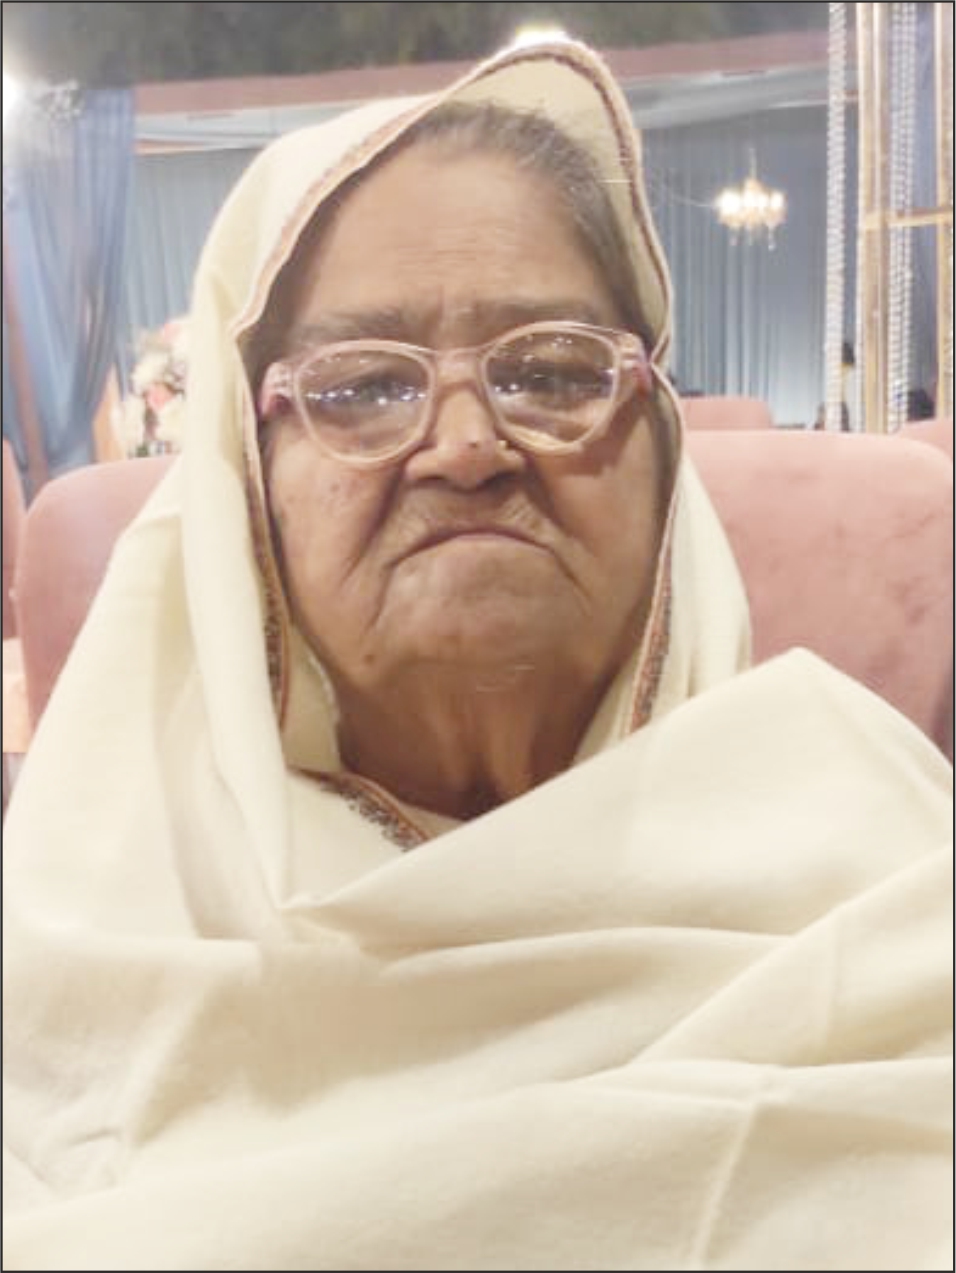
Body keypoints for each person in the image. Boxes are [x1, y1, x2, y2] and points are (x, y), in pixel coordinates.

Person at [2, 38, 952, 1272]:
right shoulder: (102, 912)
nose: (463, 447)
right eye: (360, 388)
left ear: (660, 455)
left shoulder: (867, 836)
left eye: (549, 371)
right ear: (247, 488)